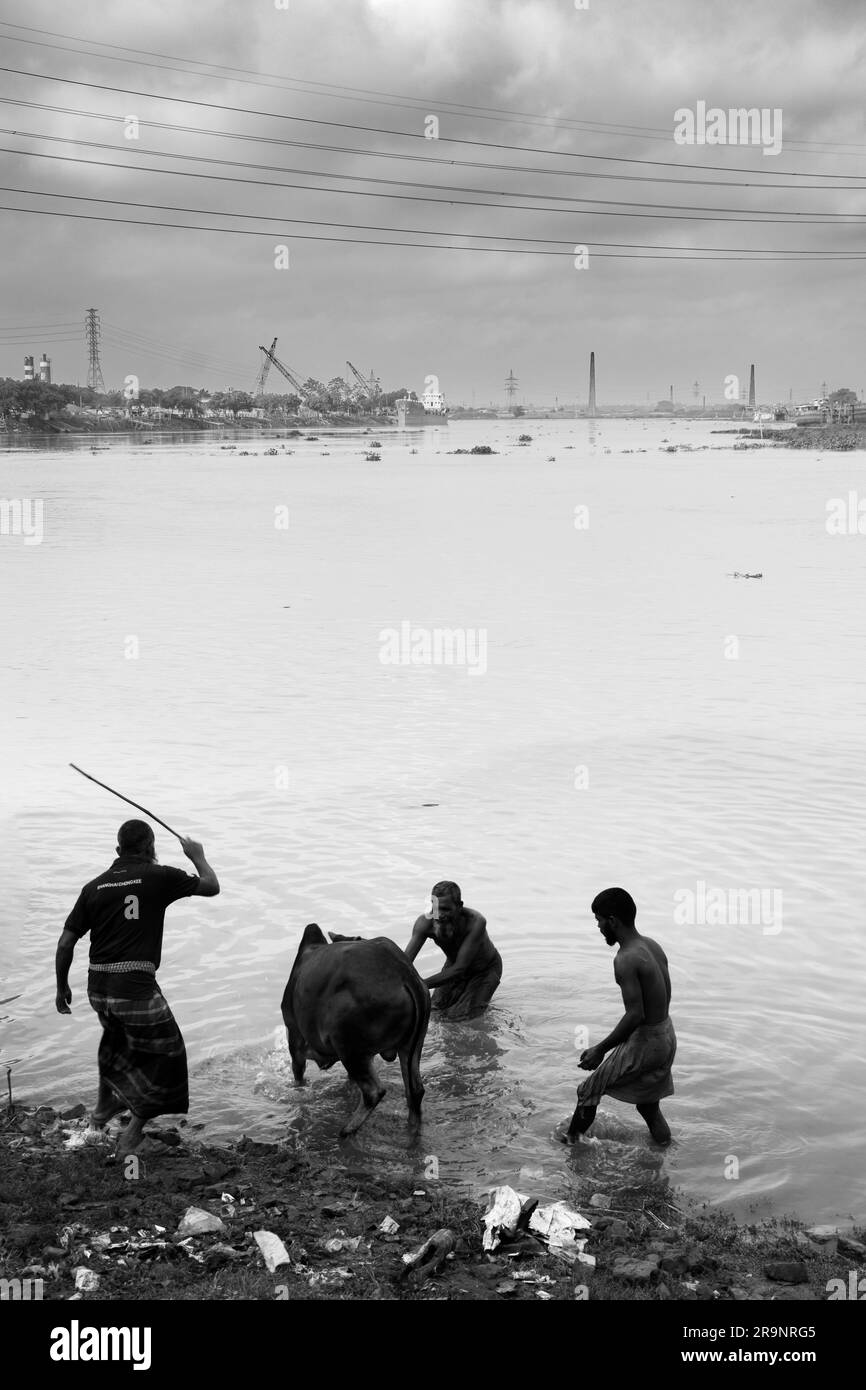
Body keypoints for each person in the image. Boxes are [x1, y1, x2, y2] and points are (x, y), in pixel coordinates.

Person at [54, 819, 219, 1155]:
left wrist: (60, 988)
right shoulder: (158, 876)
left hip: (98, 988)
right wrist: (197, 855)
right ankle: (132, 1134)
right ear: (150, 848)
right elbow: (211, 886)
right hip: (134, 986)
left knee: (118, 1048)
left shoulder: (94, 887)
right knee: (168, 1054)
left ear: (118, 850)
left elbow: (65, 943)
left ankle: (101, 1115)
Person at [567, 887, 676, 1145]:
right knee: (648, 1107)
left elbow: (636, 1014)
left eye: (600, 921)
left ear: (613, 921)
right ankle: (663, 1154)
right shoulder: (652, 946)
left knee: (587, 1091)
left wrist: (600, 1049)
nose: (599, 928)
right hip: (667, 1035)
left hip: (647, 1042)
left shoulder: (625, 958)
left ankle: (569, 1148)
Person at [404, 881, 502, 1020]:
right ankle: (479, 1005)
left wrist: (420, 985)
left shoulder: (476, 922)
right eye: (435, 908)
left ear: (459, 906)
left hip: (484, 970)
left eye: (445, 909)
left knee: (460, 1017)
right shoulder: (424, 923)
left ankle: (480, 1006)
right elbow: (404, 962)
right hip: (453, 966)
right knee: (433, 1011)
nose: (439, 914)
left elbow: (459, 969)